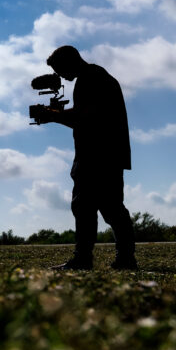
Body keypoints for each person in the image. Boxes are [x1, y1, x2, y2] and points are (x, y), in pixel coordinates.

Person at [37, 45, 137, 271]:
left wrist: (53, 115)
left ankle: (87, 259)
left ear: (69, 62)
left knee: (91, 207)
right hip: (106, 154)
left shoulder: (91, 78)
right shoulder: (95, 76)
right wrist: (58, 115)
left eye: (60, 70)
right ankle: (123, 258)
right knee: (106, 207)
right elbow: (87, 113)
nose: (60, 76)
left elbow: (86, 116)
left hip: (97, 155)